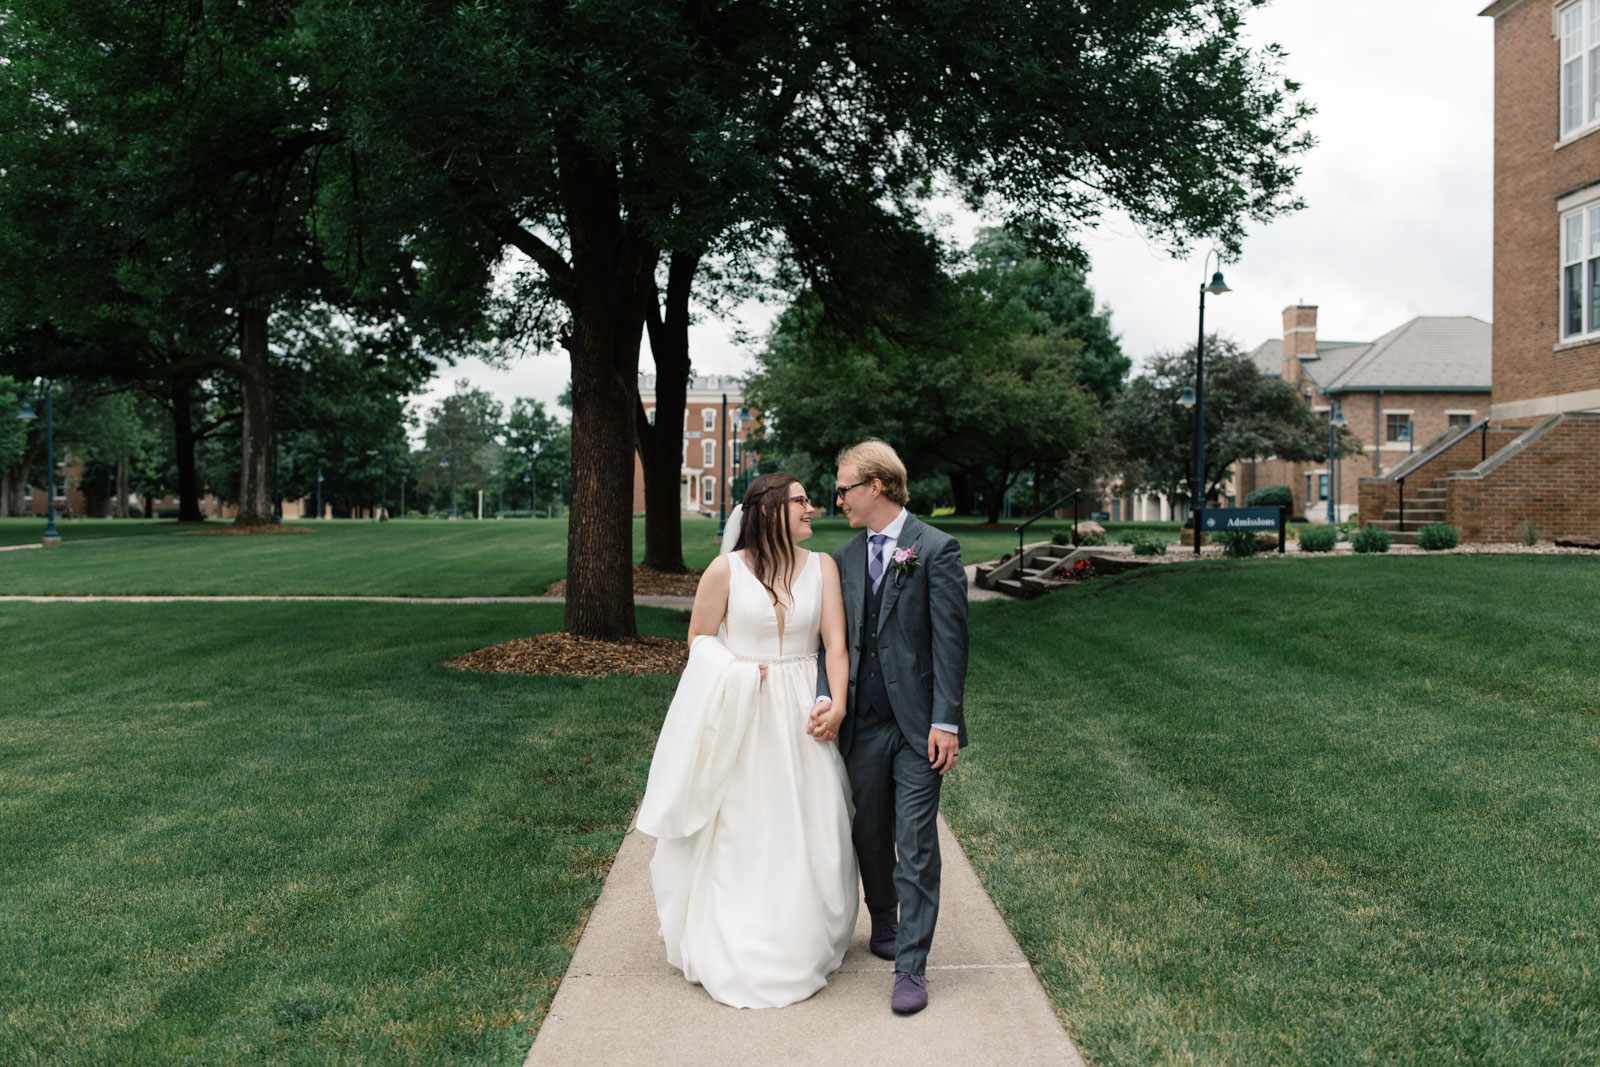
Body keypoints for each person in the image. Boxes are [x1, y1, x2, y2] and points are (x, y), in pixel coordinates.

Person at [638, 473, 857, 1009]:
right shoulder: (724, 571)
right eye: (802, 501)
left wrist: (839, 704)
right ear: (770, 511)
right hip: (745, 710)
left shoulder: (823, 567)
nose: (813, 508)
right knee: (744, 822)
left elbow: (836, 646)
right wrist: (739, 675)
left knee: (812, 820)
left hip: (805, 712)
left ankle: (802, 928)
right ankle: (740, 932)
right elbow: (698, 643)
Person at [811, 439, 968, 1015]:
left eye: (845, 488)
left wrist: (946, 721)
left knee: (917, 840)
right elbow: (830, 643)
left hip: (920, 727)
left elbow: (952, 644)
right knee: (869, 833)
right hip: (864, 725)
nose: (838, 498)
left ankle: (912, 967)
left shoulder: (935, 548)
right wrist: (829, 698)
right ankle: (884, 920)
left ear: (875, 486)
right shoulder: (845, 559)